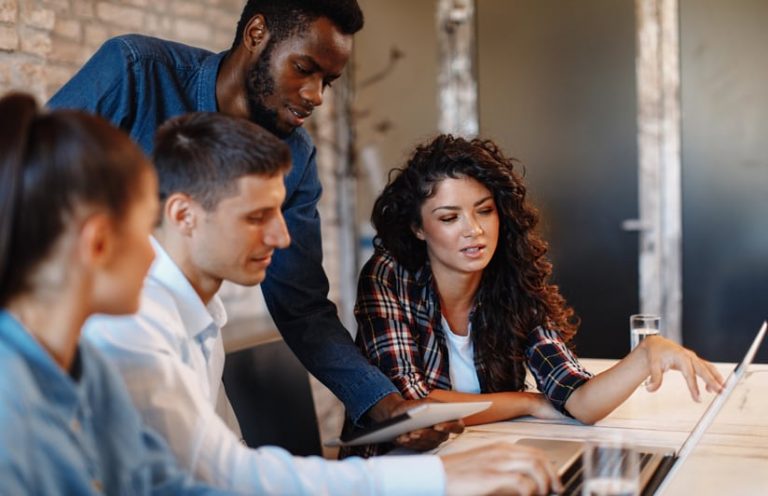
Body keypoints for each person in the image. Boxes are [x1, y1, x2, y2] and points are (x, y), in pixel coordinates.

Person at [82, 112, 561, 495]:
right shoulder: (133, 327)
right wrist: (441, 478)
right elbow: (225, 475)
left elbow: (233, 462)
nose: (282, 236)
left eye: (281, 211)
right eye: (257, 216)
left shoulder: (198, 316)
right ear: (183, 214)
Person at [47, 0, 440, 440]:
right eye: (303, 69)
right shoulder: (136, 72)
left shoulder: (297, 155)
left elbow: (301, 303)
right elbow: (25, 193)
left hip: (188, 362)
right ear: (256, 35)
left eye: (328, 81)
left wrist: (381, 403)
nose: (315, 96)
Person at [349, 134, 726, 457]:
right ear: (418, 227)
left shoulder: (511, 279)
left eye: (485, 211)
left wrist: (645, 355)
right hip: (394, 471)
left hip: (482, 460)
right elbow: (412, 408)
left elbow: (578, 400)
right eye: (450, 218)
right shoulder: (389, 276)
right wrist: (527, 402)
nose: (475, 230)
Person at [0, 93, 232, 494]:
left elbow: (161, 484)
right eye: (146, 229)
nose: (152, 252)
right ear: (99, 243)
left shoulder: (88, 369)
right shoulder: (9, 412)